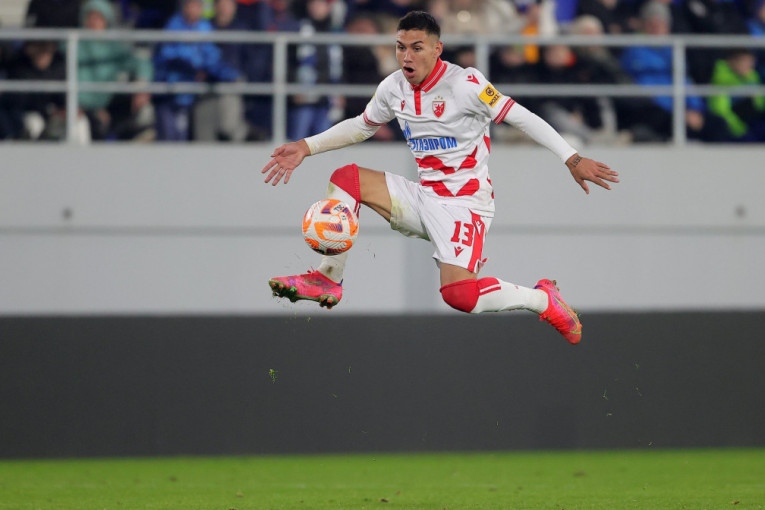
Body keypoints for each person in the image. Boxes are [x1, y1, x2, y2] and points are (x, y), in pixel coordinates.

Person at [261, 11, 619, 344]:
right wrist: (306, 146)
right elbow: (361, 126)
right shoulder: (393, 87)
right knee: (346, 179)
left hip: (465, 206)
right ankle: (328, 278)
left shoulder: (466, 83)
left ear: (437, 49)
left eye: (417, 48)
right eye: (400, 47)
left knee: (460, 296)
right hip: (425, 196)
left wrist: (571, 157)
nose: (407, 57)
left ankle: (542, 300)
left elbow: (521, 116)